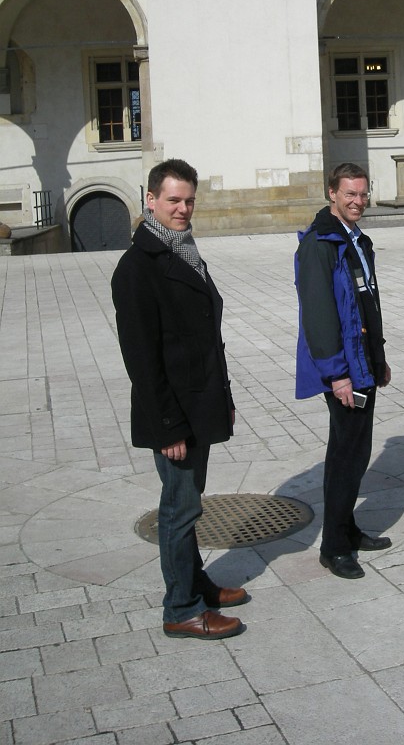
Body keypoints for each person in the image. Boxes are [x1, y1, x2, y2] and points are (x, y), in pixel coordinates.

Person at [111, 159, 247, 640]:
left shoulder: (184, 250)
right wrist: (167, 425)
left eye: (189, 200)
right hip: (174, 413)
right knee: (178, 508)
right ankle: (181, 608)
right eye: (173, 200)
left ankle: (196, 583)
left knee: (189, 504)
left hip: (200, 402)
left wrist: (224, 396)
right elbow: (141, 360)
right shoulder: (137, 268)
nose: (183, 208)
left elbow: (205, 338)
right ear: (150, 200)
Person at [295, 162, 392, 579]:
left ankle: (347, 528)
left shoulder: (356, 239)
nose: (358, 201)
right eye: (350, 193)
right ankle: (334, 546)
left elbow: (366, 304)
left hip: (363, 362)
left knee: (354, 451)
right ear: (331, 193)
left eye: (363, 193)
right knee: (346, 455)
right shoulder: (320, 243)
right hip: (344, 370)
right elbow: (319, 317)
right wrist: (338, 375)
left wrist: (378, 358)